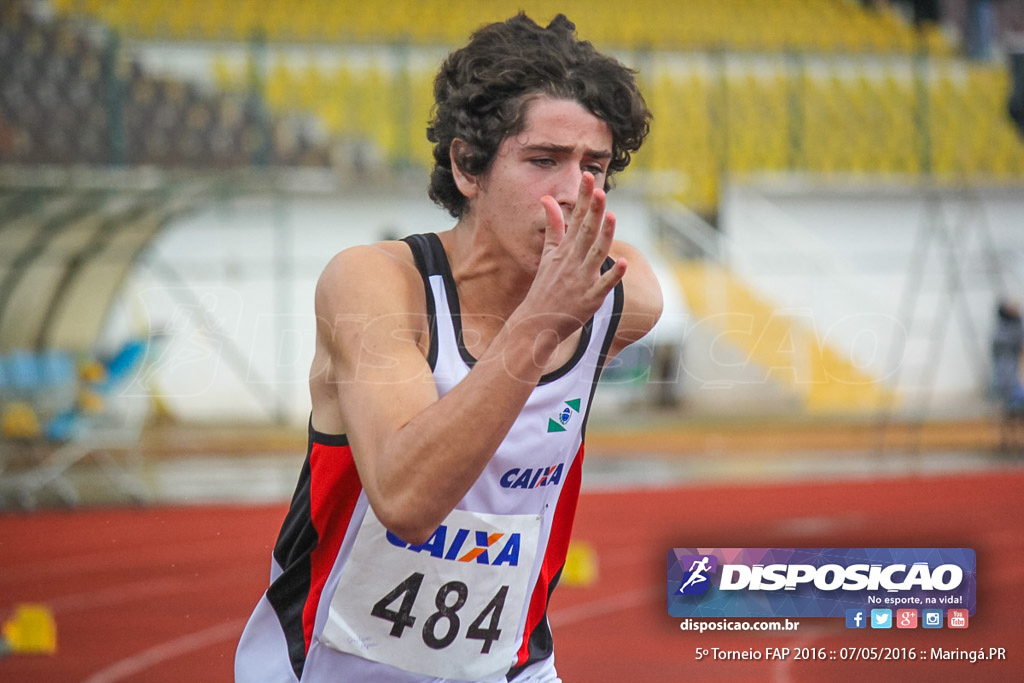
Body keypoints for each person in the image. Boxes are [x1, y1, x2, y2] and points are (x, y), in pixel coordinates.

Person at [235, 13, 660, 683]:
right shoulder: (377, 285)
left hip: (511, 668)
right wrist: (538, 324)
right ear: (467, 165)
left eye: (595, 166)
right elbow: (406, 499)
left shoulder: (619, 295)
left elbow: (635, 279)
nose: (576, 191)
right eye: (544, 160)